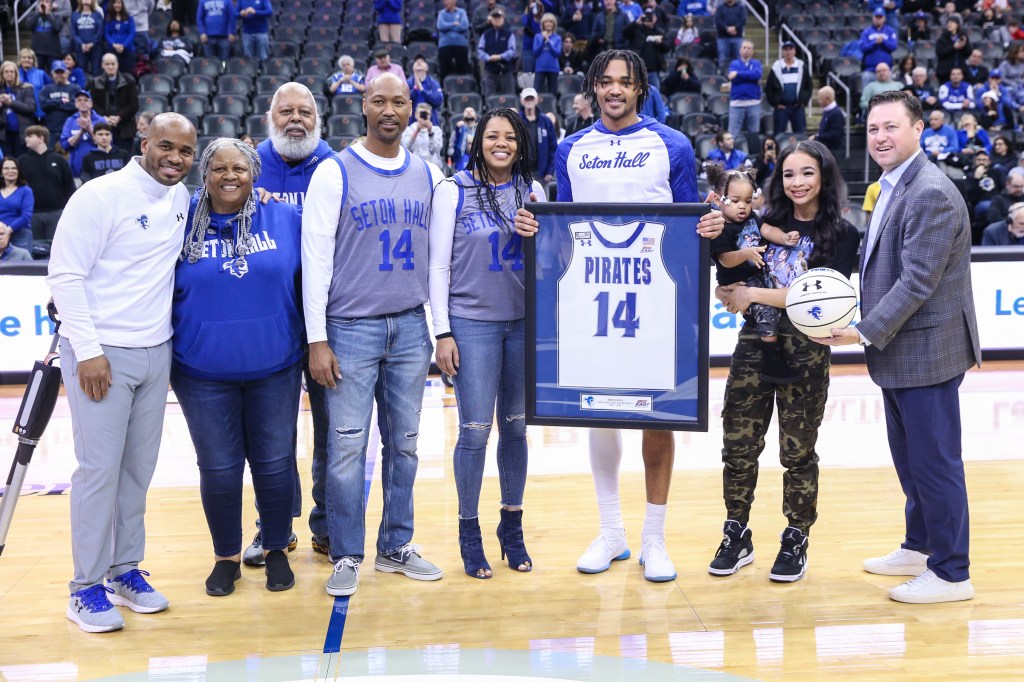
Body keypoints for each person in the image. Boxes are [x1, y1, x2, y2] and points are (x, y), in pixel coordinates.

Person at [512, 50, 725, 583]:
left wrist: (708, 228)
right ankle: (612, 532)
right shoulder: (570, 149)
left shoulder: (671, 144)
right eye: (605, 82)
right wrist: (538, 233)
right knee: (598, 410)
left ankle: (654, 539)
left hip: (655, 300)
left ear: (639, 89)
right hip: (591, 300)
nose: (614, 91)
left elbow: (685, 226)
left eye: (624, 83)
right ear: (592, 89)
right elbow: (563, 231)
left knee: (657, 415)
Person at [813, 89, 980, 604]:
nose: (881, 137)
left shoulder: (928, 190)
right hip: (904, 347)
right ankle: (920, 544)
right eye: (873, 129)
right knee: (911, 460)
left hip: (927, 348)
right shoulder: (892, 184)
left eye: (891, 127)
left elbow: (917, 282)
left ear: (918, 130)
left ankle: (953, 573)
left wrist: (861, 329)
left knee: (934, 462)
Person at [46, 112, 197, 632]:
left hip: (158, 352)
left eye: (184, 151)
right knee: (98, 472)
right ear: (144, 143)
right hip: (102, 353)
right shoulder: (99, 196)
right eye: (165, 147)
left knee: (137, 471)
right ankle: (83, 587)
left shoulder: (180, 200)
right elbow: (64, 274)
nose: (174, 159)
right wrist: (87, 350)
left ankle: (123, 570)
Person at [302, 73, 447, 596]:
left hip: (410, 327)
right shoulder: (333, 172)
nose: (390, 109)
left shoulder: (430, 175)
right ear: (363, 105)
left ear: (412, 108)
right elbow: (315, 260)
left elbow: (439, 263)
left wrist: (440, 327)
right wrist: (317, 339)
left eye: (400, 101)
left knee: (405, 446)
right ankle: (345, 552)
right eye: (379, 100)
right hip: (349, 331)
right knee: (345, 450)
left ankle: (395, 545)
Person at [713, 140, 860, 582]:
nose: (797, 182)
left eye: (807, 173)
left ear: (824, 177)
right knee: (738, 446)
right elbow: (730, 276)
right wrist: (728, 291)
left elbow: (817, 299)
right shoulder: (762, 222)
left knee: (797, 452)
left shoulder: (843, 233)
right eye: (789, 174)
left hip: (807, 351)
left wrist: (752, 293)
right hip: (754, 345)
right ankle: (736, 532)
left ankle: (796, 537)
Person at [171, 137, 303, 597]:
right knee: (220, 468)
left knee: (273, 463)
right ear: (203, 174)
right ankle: (225, 556)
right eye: (218, 169)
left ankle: (276, 550)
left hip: (275, 364)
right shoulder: (178, 219)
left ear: (255, 174)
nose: (230, 176)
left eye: (240, 169)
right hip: (201, 371)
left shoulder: (285, 218)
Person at [428, 107, 546, 579]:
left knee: (515, 429)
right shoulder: (451, 191)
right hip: (471, 324)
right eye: (493, 136)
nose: (502, 143)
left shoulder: (532, 192)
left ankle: (511, 526)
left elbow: (549, 262)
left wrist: (537, 240)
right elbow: (437, 267)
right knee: (474, 432)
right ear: (478, 141)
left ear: (520, 144)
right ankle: (469, 531)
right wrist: (441, 331)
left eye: (511, 137)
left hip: (520, 324)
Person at [242, 82, 335, 565]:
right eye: (285, 111)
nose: (295, 119)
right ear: (268, 117)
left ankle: (326, 525)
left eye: (305, 111)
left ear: (319, 119)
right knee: (271, 437)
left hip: (328, 322)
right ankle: (272, 527)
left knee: (331, 431)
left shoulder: (336, 165)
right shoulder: (246, 164)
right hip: (270, 320)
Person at [706, 163, 804, 384]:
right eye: (735, 200)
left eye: (748, 201)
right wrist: (745, 253)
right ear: (717, 200)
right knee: (767, 313)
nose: (743, 207)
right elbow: (725, 259)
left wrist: (784, 238)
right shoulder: (719, 227)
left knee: (777, 303)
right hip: (738, 283)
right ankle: (773, 360)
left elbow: (767, 230)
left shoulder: (752, 219)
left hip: (760, 276)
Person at [18, 125, 76, 246]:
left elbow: (69, 187)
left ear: (41, 138)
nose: (26, 139)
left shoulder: (59, 160)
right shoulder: (21, 161)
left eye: (29, 136)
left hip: (56, 213)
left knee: (58, 248)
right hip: (31, 214)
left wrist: (68, 212)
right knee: (35, 250)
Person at [90, 53, 139, 150]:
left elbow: (134, 105)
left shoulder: (129, 82)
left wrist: (119, 117)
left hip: (125, 129)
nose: (110, 67)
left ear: (117, 64)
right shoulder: (95, 82)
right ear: (102, 65)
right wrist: (105, 118)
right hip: (102, 126)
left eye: (113, 64)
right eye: (107, 64)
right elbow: (92, 104)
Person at [765, 41, 812, 136]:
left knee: (801, 135)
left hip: (797, 108)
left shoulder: (802, 66)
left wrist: (803, 101)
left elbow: (808, 86)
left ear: (794, 51)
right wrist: (776, 103)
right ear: (782, 51)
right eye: (785, 49)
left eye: (790, 49)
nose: (788, 51)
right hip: (781, 108)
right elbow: (768, 88)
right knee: (778, 135)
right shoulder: (776, 66)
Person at [61, 89, 106, 179]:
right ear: (75, 104)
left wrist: (89, 129)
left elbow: (106, 143)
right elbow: (65, 145)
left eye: (85, 100)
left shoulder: (100, 120)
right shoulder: (70, 121)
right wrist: (81, 131)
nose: (82, 102)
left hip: (97, 169)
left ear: (91, 103)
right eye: (79, 100)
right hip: (76, 169)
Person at [726, 40, 762, 144]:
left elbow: (757, 75)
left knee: (754, 133)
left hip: (753, 103)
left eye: (749, 48)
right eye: (744, 48)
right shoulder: (734, 63)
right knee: (733, 134)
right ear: (740, 50)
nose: (746, 50)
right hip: (736, 103)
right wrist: (749, 77)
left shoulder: (756, 63)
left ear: (752, 51)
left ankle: (753, 156)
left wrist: (737, 74)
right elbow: (733, 79)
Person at [625, 7, 669, 90]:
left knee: (654, 92)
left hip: (653, 70)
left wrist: (661, 43)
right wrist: (636, 22)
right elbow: (625, 33)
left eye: (650, 16)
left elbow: (667, 48)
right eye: (646, 16)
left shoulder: (659, 32)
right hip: (638, 70)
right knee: (635, 92)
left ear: (655, 18)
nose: (648, 19)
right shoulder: (636, 30)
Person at [517, 87, 557, 182]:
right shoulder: (515, 120)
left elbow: (553, 148)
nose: (529, 101)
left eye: (532, 98)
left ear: (537, 100)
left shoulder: (546, 121)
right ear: (521, 100)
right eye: (527, 98)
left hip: (542, 175)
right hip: (520, 175)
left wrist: (550, 171)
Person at [0, 61, 38, 158]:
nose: (9, 74)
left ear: (16, 74)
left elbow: (30, 109)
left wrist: (10, 102)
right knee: (7, 161)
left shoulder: (26, 88)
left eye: (12, 72)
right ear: (2, 74)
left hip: (22, 133)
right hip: (4, 134)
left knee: (22, 161)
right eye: (6, 71)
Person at [477, 8, 517, 97]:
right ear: (491, 20)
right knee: (489, 98)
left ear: (503, 19)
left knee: (510, 97)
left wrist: (500, 57)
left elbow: (512, 51)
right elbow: (480, 50)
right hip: (490, 71)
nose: (497, 19)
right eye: (495, 17)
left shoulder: (509, 34)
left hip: (506, 70)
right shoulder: (486, 34)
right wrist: (488, 57)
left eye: (499, 17)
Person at [40, 60, 79, 147]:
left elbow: (75, 105)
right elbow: (44, 105)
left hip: (69, 129)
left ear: (67, 72)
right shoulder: (47, 88)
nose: (59, 74)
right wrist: (61, 101)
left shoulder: (75, 88)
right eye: (56, 72)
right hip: (51, 130)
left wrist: (53, 104)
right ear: (52, 73)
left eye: (61, 72)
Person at [0, 157, 35, 252]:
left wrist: (8, 230)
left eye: (14, 168)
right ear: (1, 172)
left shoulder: (26, 191)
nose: (10, 171)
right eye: (6, 168)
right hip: (0, 234)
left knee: (21, 266)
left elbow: (26, 216)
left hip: (20, 235)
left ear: (18, 171)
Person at [859, 8, 898, 90]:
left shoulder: (890, 31)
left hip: (886, 70)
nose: (878, 19)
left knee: (889, 96)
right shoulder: (866, 32)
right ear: (873, 18)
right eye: (877, 17)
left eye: (880, 17)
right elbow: (862, 47)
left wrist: (883, 41)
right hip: (870, 70)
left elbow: (894, 46)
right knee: (867, 92)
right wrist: (874, 42)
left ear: (884, 18)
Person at [437, 0, 471, 84]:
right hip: (445, 44)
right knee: (444, 70)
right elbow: (440, 26)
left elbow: (464, 26)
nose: (445, 2)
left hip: (461, 44)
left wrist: (447, 27)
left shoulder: (461, 12)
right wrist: (454, 24)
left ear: (454, 1)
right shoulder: (441, 13)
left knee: (462, 70)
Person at [401, 102, 444, 167]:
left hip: (433, 165)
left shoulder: (436, 130)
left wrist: (430, 132)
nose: (424, 116)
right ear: (416, 114)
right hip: (414, 166)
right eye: (421, 113)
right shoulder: (408, 130)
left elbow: (436, 150)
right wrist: (417, 131)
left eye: (427, 114)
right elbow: (406, 148)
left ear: (430, 116)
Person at [28, 0, 65, 70]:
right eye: (42, 1)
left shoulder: (57, 16)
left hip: (53, 52)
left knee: (53, 75)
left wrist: (48, 15)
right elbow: (29, 25)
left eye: (47, 1)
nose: (44, 3)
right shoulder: (33, 15)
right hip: (37, 51)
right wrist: (38, 13)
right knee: (38, 74)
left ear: (51, 5)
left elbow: (57, 28)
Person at [407, 56, 444, 126]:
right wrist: (415, 89)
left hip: (431, 122)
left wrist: (422, 90)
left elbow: (439, 100)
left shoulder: (433, 83)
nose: (418, 62)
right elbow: (404, 101)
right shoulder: (408, 83)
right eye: (416, 61)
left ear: (427, 68)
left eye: (422, 61)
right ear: (413, 68)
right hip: (412, 124)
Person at [71, 0, 104, 77]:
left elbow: (100, 31)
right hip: (80, 47)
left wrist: (92, 43)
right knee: (82, 71)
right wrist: (81, 43)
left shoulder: (97, 15)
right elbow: (73, 32)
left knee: (96, 71)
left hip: (96, 47)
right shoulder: (75, 15)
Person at [103, 0, 136, 75]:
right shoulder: (109, 18)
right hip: (113, 50)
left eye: (119, 3)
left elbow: (132, 33)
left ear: (122, 4)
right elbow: (107, 34)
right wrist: (113, 44)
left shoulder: (129, 17)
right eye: (115, 3)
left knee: (128, 73)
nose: (117, 5)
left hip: (128, 50)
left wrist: (124, 45)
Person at [533, 13, 563, 95]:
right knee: (537, 92)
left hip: (553, 68)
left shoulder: (557, 38)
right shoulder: (537, 37)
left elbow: (557, 53)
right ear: (543, 24)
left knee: (553, 93)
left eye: (550, 22)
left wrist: (548, 41)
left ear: (554, 24)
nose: (548, 24)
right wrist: (543, 40)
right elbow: (535, 52)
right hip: (540, 68)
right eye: (546, 22)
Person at [936, 16, 971, 84]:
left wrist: (964, 45)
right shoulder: (942, 38)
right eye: (948, 23)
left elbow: (968, 53)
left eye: (952, 22)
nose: (949, 24)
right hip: (945, 72)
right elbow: (940, 53)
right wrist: (953, 47)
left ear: (957, 24)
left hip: (960, 71)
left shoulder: (962, 36)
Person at [715, 0, 747, 73]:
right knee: (723, 60)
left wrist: (735, 28)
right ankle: (723, 78)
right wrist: (727, 29)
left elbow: (743, 20)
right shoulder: (720, 8)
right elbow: (718, 21)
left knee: (739, 60)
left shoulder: (741, 8)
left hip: (737, 38)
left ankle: (738, 78)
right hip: (722, 38)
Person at [811, 86, 845, 150]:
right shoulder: (827, 110)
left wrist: (817, 136)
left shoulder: (836, 113)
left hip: (833, 151)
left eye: (820, 99)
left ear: (827, 99)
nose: (818, 101)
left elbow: (835, 134)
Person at [449, 106, 479, 172]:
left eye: (471, 111)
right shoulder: (456, 132)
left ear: (476, 117)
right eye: (466, 111)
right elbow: (450, 151)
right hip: (461, 161)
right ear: (463, 117)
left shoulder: (480, 130)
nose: (468, 112)